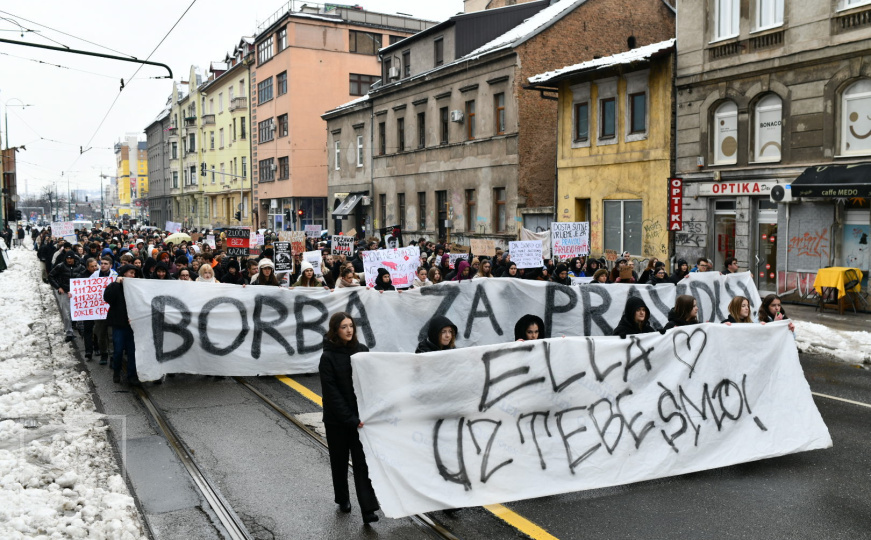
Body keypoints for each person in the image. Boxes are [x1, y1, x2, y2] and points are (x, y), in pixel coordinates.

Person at [318, 312, 380, 524]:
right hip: (337, 421)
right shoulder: (327, 357)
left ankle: (368, 509)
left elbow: (371, 383)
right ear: (335, 330)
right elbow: (332, 394)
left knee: (362, 464)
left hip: (360, 420)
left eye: (351, 326)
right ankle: (342, 498)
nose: (349, 330)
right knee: (339, 461)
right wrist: (350, 418)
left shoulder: (362, 351)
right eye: (344, 327)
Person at [103, 264, 141, 386]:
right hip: (119, 325)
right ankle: (116, 371)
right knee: (118, 350)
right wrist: (116, 284)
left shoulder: (135, 287)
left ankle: (132, 375)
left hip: (132, 325)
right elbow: (107, 298)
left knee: (132, 351)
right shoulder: (115, 286)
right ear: (124, 274)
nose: (133, 275)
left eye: (134, 273)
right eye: (131, 273)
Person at [49, 251, 84, 342]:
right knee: (66, 314)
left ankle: (81, 329)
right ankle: (69, 332)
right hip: (65, 292)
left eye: (70, 258)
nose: (69, 260)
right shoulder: (60, 266)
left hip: (77, 293)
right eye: (67, 259)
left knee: (79, 312)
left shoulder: (80, 267)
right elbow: (51, 276)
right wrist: (58, 287)